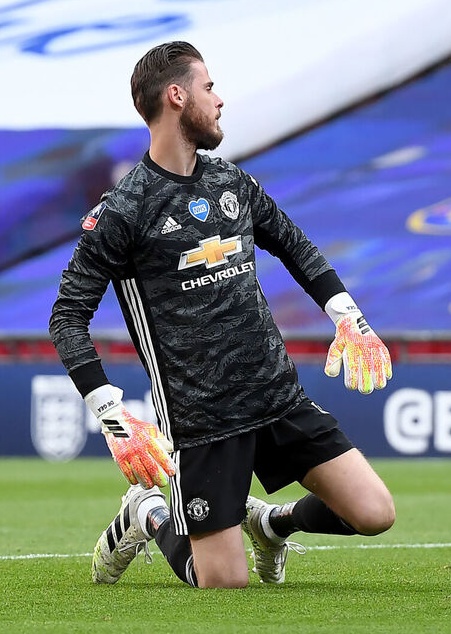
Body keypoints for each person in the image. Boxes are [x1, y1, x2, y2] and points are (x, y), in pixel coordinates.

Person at [48, 41, 395, 588]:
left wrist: (349, 317)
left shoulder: (231, 181)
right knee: (222, 584)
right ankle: (146, 513)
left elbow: (295, 247)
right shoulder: (123, 212)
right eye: (209, 88)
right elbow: (67, 317)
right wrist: (112, 416)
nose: (220, 100)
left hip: (275, 395)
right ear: (177, 96)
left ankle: (273, 524)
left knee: (375, 513)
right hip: (202, 420)